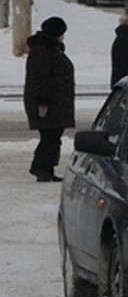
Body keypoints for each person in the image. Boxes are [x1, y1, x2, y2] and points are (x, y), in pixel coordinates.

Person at [23, 16, 75, 182]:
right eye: (61, 33)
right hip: (48, 102)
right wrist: (42, 101)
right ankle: (40, 166)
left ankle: (46, 168)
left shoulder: (50, 49)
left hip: (55, 102)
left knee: (52, 135)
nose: (63, 37)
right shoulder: (43, 51)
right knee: (50, 136)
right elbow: (40, 79)